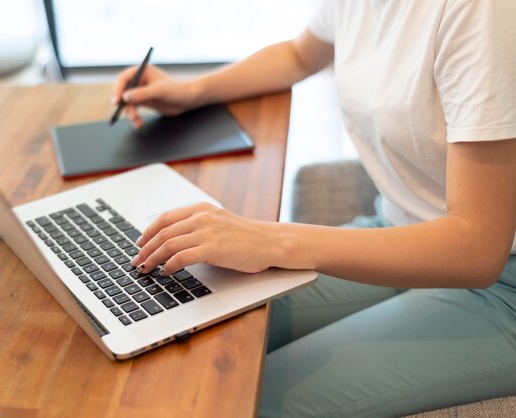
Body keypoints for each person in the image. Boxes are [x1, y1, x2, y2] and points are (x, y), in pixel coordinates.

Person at [113, 1, 516, 416]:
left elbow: (478, 249)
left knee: (239, 398)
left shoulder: (481, 12)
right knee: (188, 328)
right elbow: (300, 54)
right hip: (397, 228)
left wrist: (275, 240)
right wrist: (190, 92)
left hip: (501, 284)